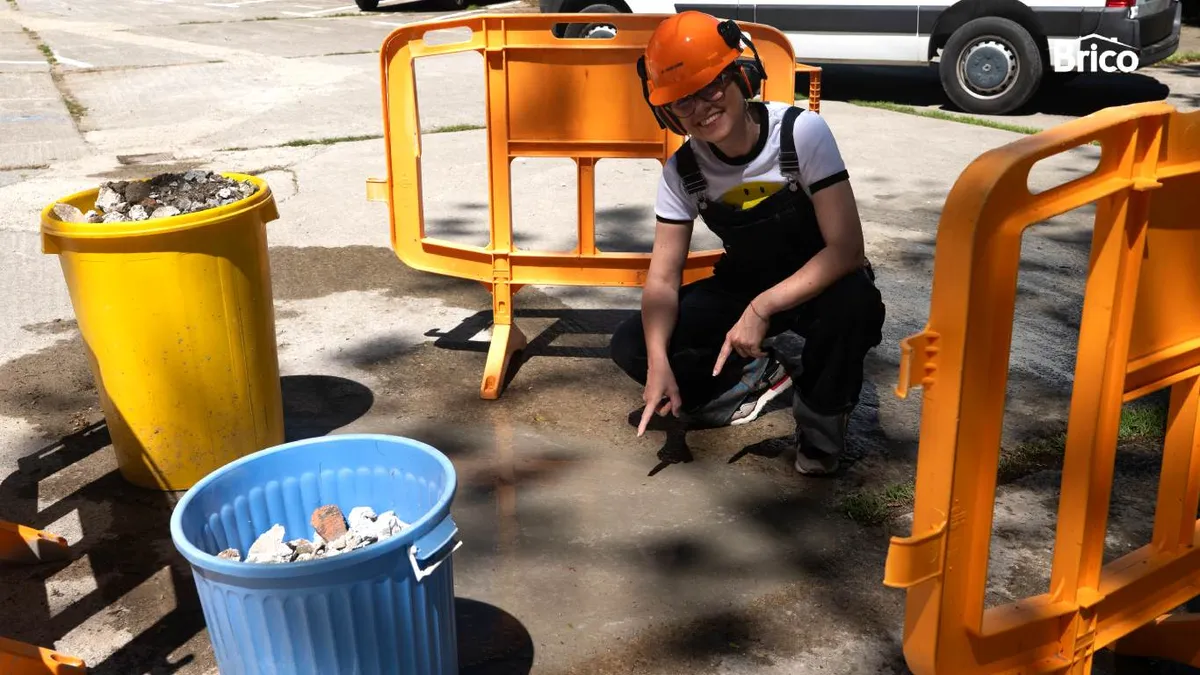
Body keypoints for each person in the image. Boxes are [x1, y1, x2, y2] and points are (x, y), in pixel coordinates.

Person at [609, 10, 886, 475]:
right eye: (682, 101)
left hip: (820, 281)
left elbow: (846, 249)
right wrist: (657, 362)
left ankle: (820, 427)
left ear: (742, 76)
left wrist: (761, 308)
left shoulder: (800, 133)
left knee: (854, 306)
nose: (702, 107)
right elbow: (661, 281)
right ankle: (752, 381)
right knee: (632, 344)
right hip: (743, 281)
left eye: (711, 86)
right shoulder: (683, 172)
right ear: (667, 113)